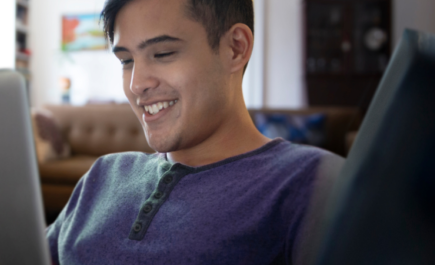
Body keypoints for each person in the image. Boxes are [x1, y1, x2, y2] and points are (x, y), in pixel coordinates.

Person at [45, 0, 344, 264]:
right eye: (126, 60)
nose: (137, 85)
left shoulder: (311, 182)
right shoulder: (102, 176)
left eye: (162, 53)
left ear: (235, 48)